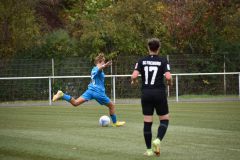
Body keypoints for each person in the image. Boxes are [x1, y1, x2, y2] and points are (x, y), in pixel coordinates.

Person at [52, 53, 125, 127]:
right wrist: (104, 66)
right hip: (98, 92)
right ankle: (115, 123)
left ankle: (62, 94)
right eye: (103, 61)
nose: (104, 62)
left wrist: (103, 66)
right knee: (112, 105)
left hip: (90, 91)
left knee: (76, 103)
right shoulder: (98, 69)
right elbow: (99, 70)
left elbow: (98, 71)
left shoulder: (93, 69)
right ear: (100, 61)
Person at [131, 38, 172, 156]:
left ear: (148, 48)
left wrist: (134, 82)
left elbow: (134, 76)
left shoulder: (141, 60)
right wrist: (170, 83)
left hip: (146, 94)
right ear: (159, 48)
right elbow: (168, 77)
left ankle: (149, 151)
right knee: (164, 119)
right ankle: (158, 140)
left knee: (147, 122)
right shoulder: (163, 61)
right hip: (159, 93)